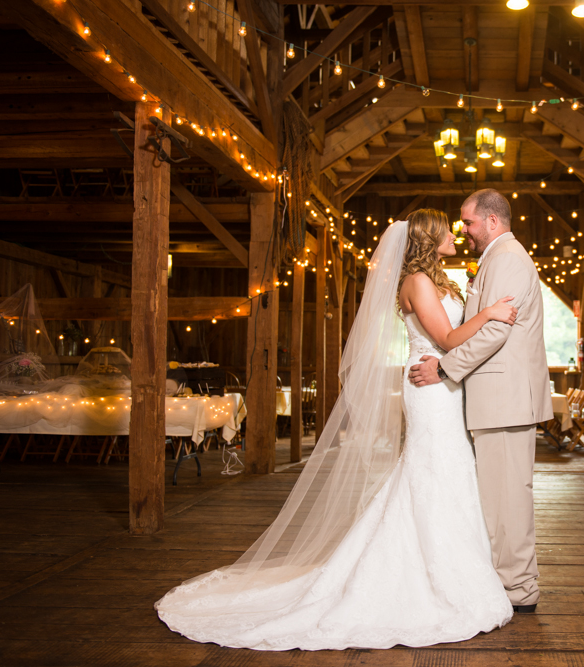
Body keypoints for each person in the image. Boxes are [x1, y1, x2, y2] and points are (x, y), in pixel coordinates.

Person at [155, 209, 520, 650]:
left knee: (448, 470)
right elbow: (445, 339)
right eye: (447, 228)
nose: (456, 234)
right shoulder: (418, 283)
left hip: (445, 386)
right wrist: (492, 314)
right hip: (430, 386)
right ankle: (432, 576)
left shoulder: (440, 279)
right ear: (428, 237)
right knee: (436, 468)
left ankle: (453, 566)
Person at [409, 188, 554, 613]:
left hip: (505, 398)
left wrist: (445, 367)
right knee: (497, 496)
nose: (464, 231)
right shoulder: (496, 258)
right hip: (495, 399)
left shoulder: (507, 258)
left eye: (468, 222)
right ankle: (507, 581)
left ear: (492, 221)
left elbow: (496, 331)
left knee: (509, 497)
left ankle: (520, 590)